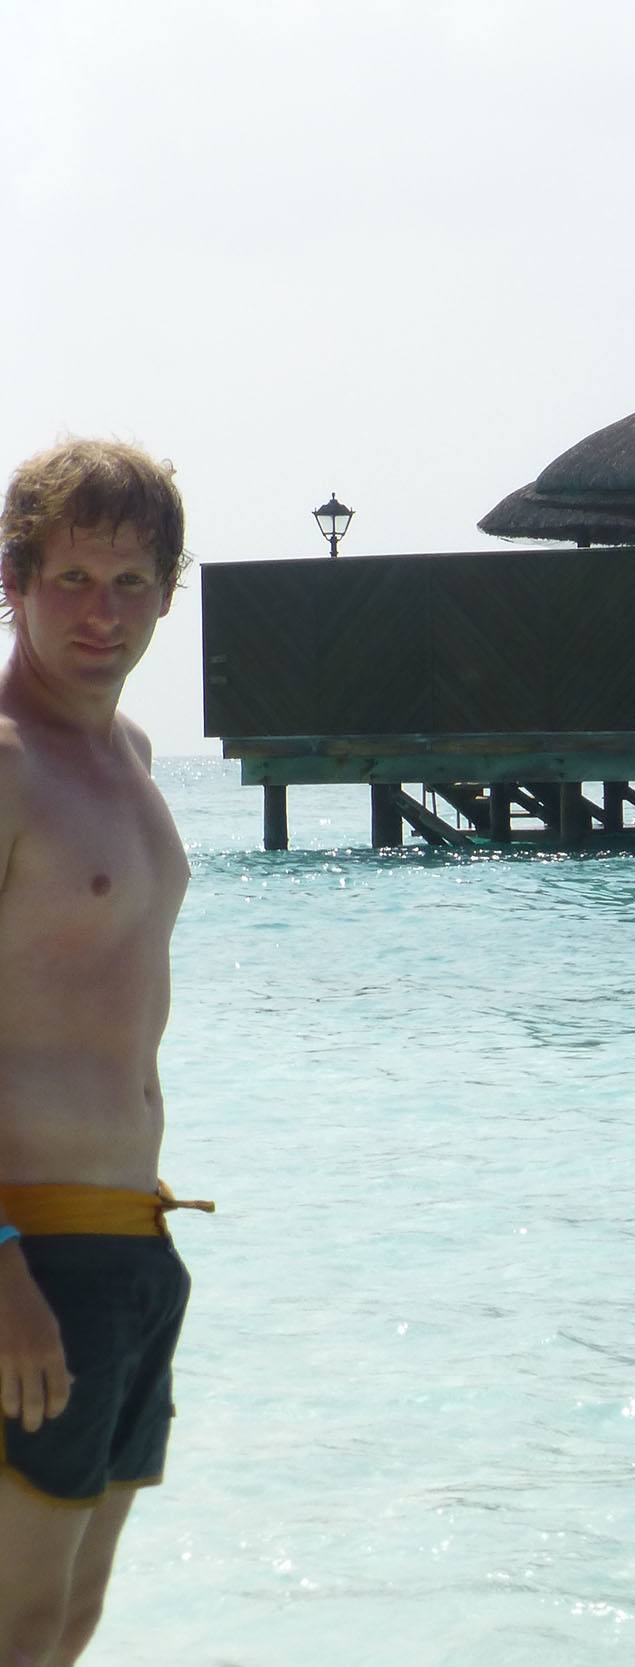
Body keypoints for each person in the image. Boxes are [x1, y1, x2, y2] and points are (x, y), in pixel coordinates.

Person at [0, 439, 200, 1665]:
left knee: (63, 1625)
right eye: (73, 576)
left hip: (130, 1243)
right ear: (14, 579)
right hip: (28, 1249)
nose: (101, 611)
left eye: (131, 582)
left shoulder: (127, 761)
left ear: (168, 595)